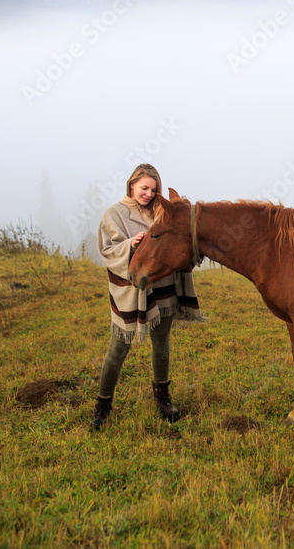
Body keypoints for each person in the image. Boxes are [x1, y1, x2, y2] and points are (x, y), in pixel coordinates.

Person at [91, 163, 204, 431]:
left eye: (154, 189)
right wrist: (130, 245)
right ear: (131, 185)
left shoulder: (160, 211)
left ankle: (163, 399)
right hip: (133, 291)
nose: (148, 194)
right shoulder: (114, 213)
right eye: (144, 188)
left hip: (164, 286)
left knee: (161, 342)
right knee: (117, 350)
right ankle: (103, 405)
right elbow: (107, 251)